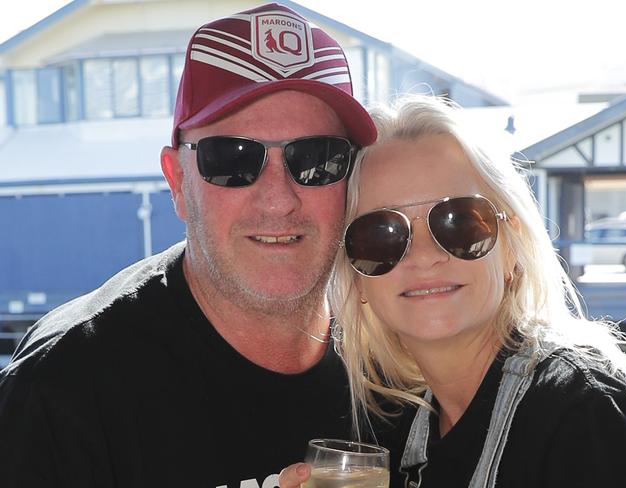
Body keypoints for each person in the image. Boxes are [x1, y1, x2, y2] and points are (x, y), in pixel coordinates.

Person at [0, 4, 391, 487]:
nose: (278, 200)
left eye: (316, 159)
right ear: (178, 181)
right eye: (232, 159)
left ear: (351, 180)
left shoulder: (398, 356)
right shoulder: (67, 389)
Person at [279, 95, 626, 488]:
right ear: (357, 277)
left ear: (512, 250)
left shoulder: (586, 420)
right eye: (380, 235)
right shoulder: (394, 428)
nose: (424, 256)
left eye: (459, 222)